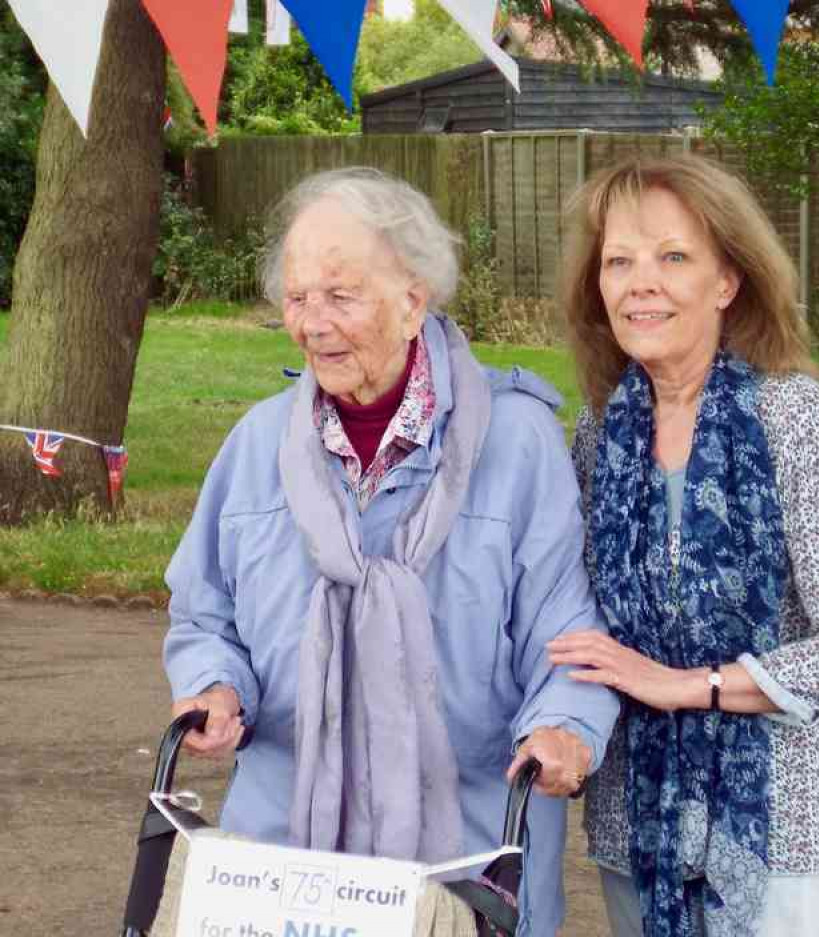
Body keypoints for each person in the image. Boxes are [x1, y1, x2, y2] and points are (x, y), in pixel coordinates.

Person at [162, 167, 619, 937]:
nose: (313, 322)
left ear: (414, 299)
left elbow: (566, 632)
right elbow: (206, 611)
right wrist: (213, 684)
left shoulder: (515, 442)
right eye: (298, 297)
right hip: (284, 854)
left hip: (466, 850)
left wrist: (565, 726)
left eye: (340, 296)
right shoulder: (256, 445)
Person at [546, 155, 819, 937]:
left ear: (727, 281)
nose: (641, 282)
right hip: (635, 826)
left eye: (673, 257)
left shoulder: (797, 424)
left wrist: (686, 684)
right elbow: (572, 614)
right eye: (618, 261)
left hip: (775, 829)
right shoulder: (601, 431)